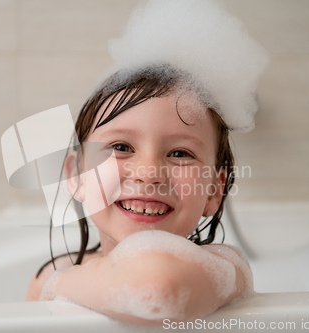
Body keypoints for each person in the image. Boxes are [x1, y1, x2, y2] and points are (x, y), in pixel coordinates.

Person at [25, 0, 267, 326]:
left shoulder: (224, 265)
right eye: (121, 146)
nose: (149, 173)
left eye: (180, 153)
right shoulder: (50, 274)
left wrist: (58, 286)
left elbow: (156, 290)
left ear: (213, 191)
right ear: (77, 175)